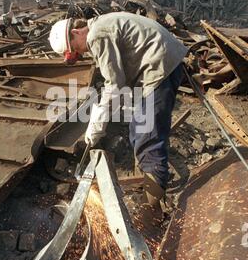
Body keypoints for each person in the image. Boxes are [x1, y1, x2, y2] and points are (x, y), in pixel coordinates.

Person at [49, 12, 188, 227]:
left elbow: (115, 86)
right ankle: (151, 186)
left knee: (147, 137)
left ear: (76, 32)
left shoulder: (96, 36)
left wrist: (96, 124)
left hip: (158, 67)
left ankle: (151, 214)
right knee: (137, 130)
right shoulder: (99, 26)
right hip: (161, 61)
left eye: (76, 49)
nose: (81, 53)